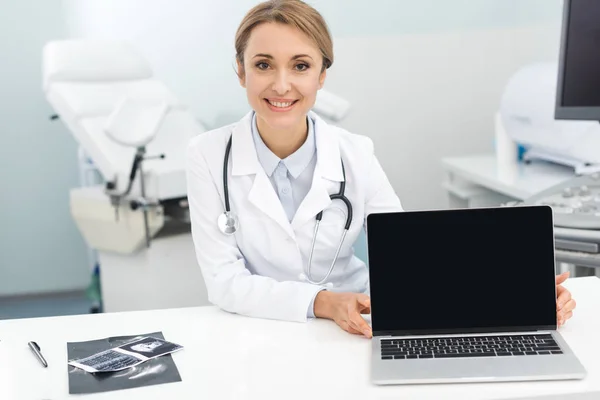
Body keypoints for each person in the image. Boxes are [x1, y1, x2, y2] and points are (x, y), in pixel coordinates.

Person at [185, 0, 576, 338]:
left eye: (300, 65)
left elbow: (410, 259)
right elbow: (225, 282)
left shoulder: (355, 152)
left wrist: (521, 293)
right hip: (256, 331)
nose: (282, 84)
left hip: (356, 325)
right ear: (241, 71)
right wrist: (323, 302)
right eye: (264, 64)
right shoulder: (208, 155)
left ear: (322, 75)